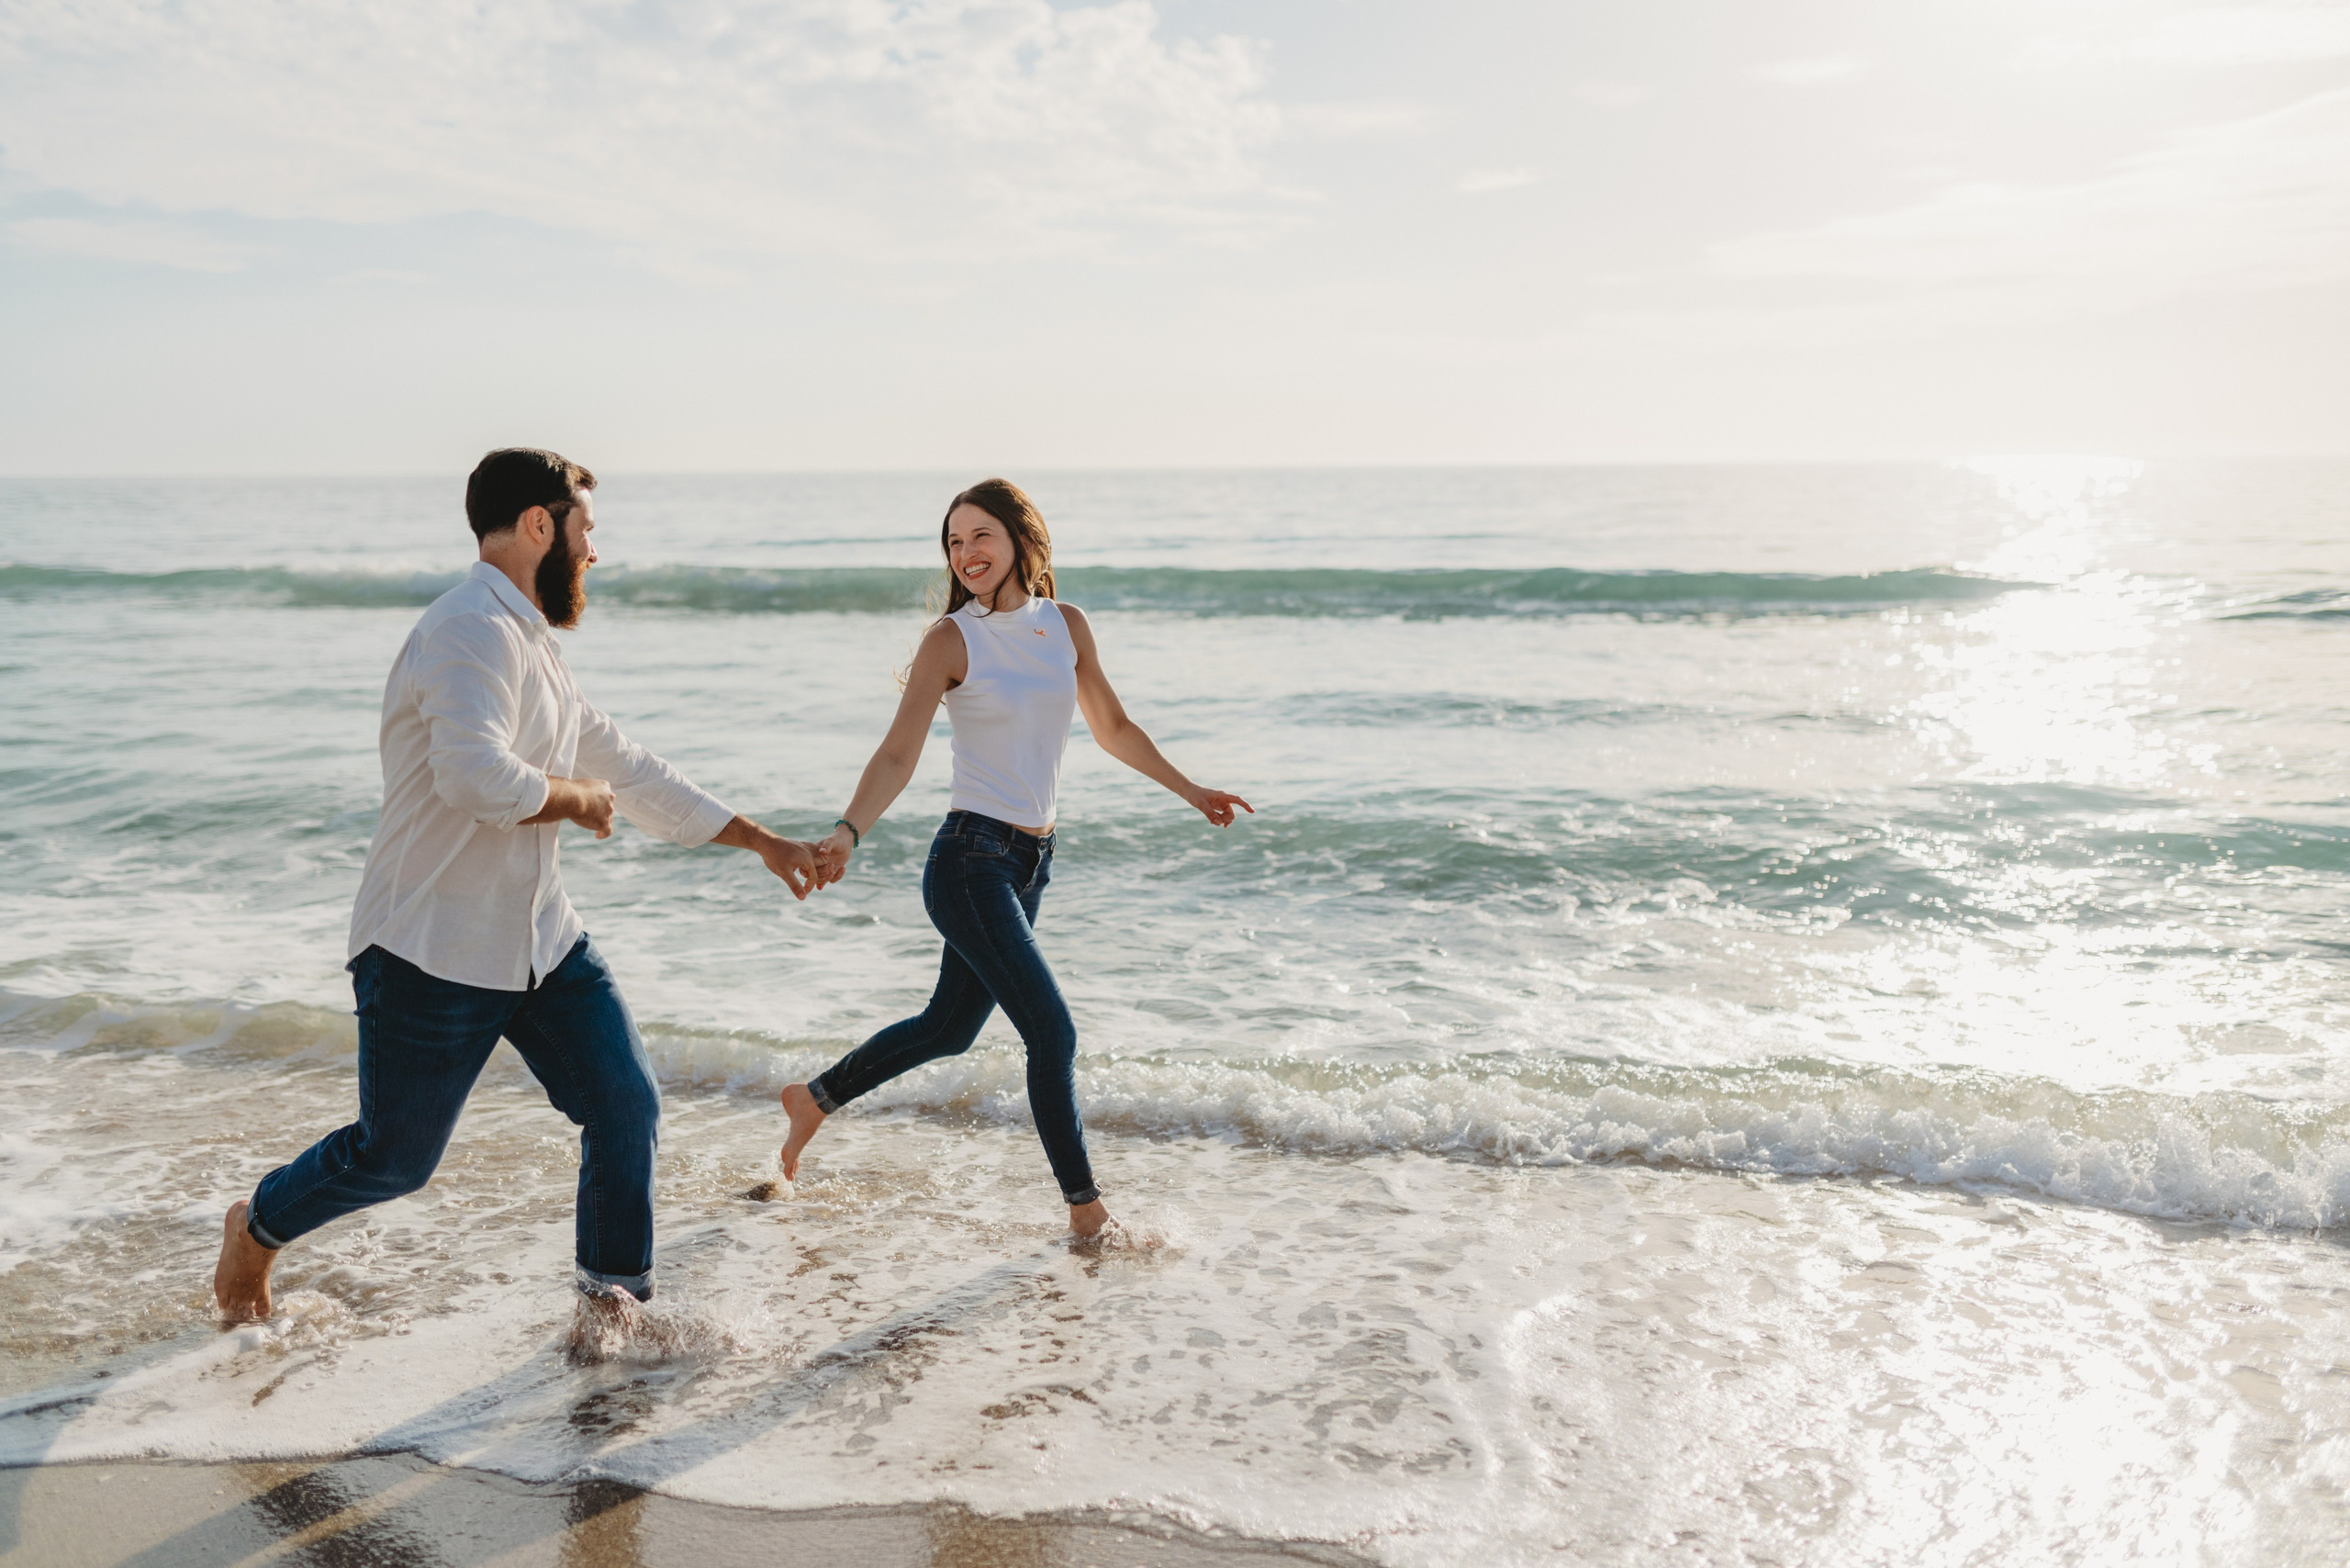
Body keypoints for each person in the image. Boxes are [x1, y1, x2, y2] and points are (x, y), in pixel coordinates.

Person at [212, 447, 822, 1323]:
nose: (594, 553)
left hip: (541, 939)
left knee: (625, 1108)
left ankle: (612, 1310)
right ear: (543, 525)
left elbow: (631, 769)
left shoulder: (531, 642)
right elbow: (474, 777)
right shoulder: (467, 630)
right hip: (432, 944)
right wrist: (574, 798)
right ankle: (257, 1225)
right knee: (395, 1160)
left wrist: (759, 840)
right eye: (587, 530)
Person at [778, 478, 1252, 1238]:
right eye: (954, 542)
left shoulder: (1065, 625)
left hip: (1033, 858)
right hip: (969, 859)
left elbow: (1114, 727)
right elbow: (899, 753)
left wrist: (1190, 790)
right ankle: (1087, 1214)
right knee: (1053, 1034)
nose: (966, 554)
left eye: (980, 537)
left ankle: (815, 1098)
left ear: (1020, 539)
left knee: (947, 1028)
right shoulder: (951, 640)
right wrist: (848, 831)